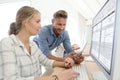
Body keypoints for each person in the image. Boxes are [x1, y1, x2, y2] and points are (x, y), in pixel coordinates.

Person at [0, 6, 79, 80]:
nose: (40, 26)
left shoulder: (32, 45)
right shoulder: (7, 44)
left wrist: (65, 64)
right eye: (37, 21)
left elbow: (46, 61)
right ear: (25, 22)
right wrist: (56, 78)